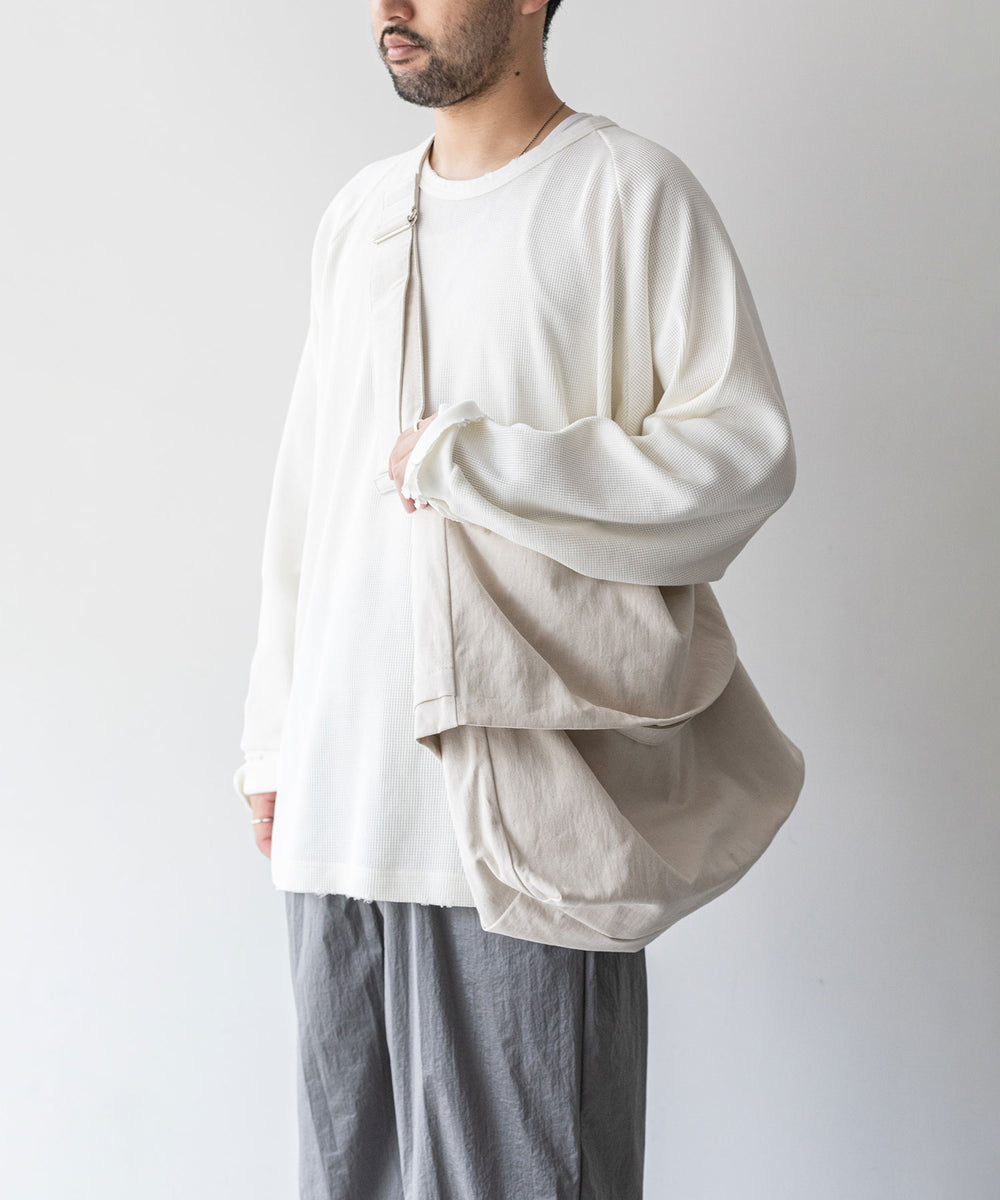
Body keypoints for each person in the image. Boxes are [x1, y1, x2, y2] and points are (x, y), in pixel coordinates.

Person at [232, 1, 797, 1197]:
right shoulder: (360, 215)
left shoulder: (627, 192)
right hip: (339, 820)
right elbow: (307, 499)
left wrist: (480, 462)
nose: (390, 9)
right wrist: (274, 743)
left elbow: (740, 459)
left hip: (521, 832)